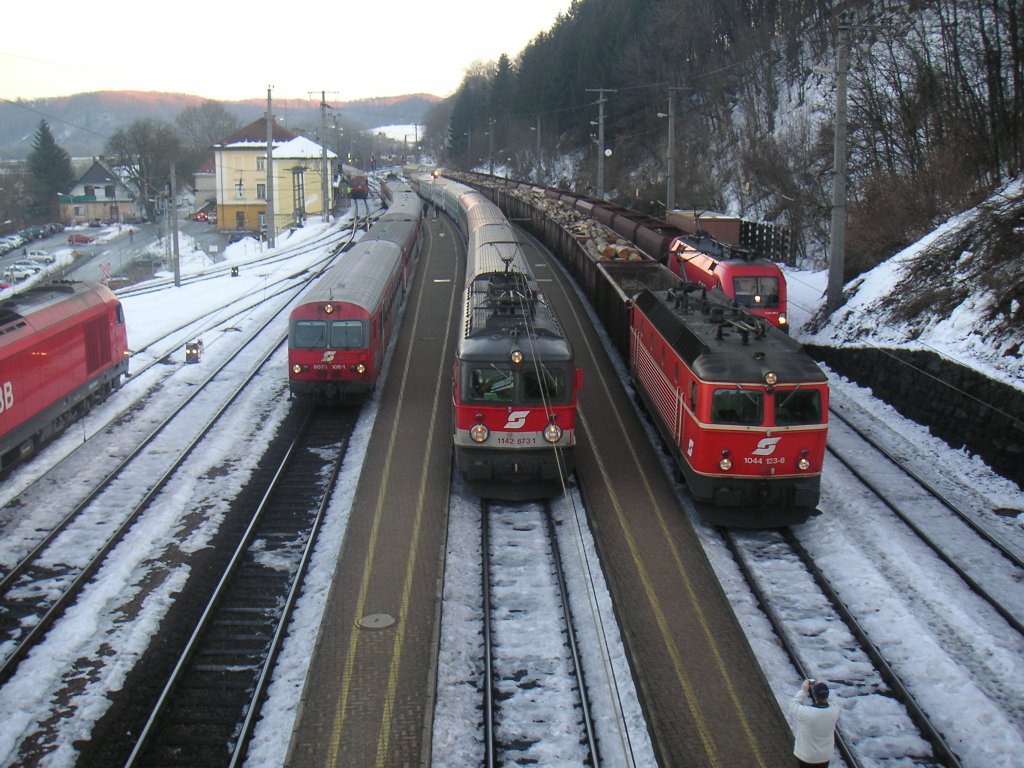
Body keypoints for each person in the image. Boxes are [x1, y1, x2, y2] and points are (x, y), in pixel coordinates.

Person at [789, 679, 840, 767]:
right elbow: (831, 701)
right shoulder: (835, 710)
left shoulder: (806, 713)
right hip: (824, 756)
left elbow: (793, 705)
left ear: (814, 696)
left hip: (806, 756)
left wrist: (804, 691)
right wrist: (821, 686)